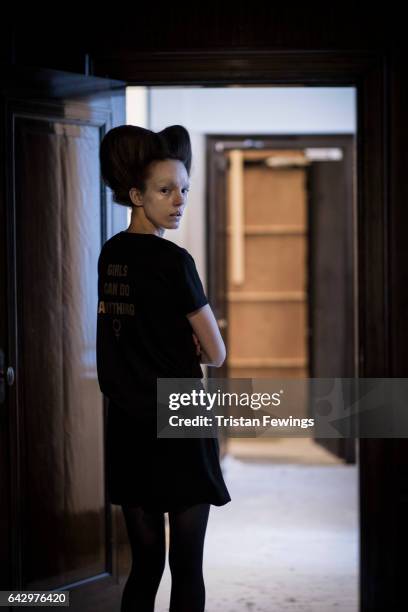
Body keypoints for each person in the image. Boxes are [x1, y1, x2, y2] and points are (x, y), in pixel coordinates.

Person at [97, 124, 231, 612]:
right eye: (165, 190)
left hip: (129, 420)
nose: (179, 200)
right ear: (136, 194)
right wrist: (189, 340)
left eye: (184, 190)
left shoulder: (110, 254)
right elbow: (216, 353)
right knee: (187, 565)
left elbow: (124, 331)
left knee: (146, 562)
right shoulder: (176, 261)